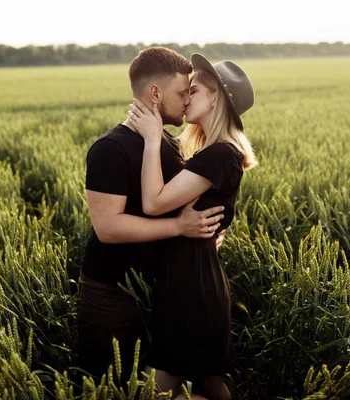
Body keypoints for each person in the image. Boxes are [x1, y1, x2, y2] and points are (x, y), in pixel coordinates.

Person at [78, 47, 227, 380]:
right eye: (181, 92)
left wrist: (204, 235)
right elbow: (108, 228)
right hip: (111, 294)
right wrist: (180, 228)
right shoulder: (109, 149)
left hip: (163, 290)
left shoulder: (171, 145)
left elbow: (188, 206)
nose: (187, 101)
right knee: (110, 385)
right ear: (155, 93)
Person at [127, 53, 257, 399]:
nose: (185, 98)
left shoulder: (220, 155)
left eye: (193, 91)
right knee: (207, 383)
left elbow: (154, 203)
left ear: (216, 97)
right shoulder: (215, 152)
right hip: (189, 280)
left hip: (193, 288)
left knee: (160, 389)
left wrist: (153, 138)